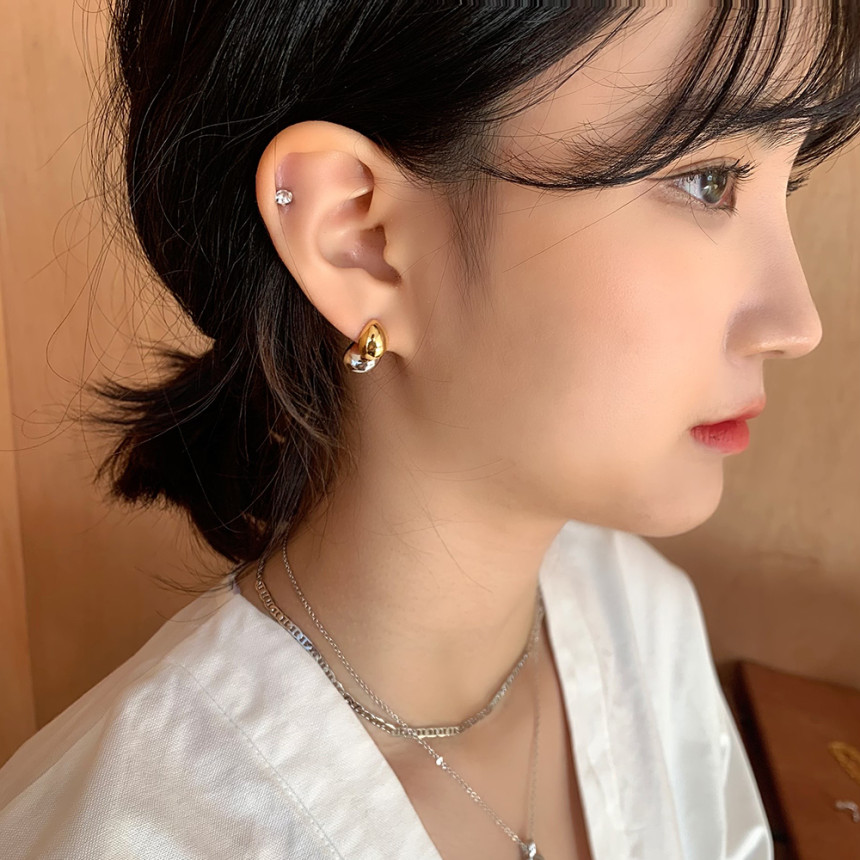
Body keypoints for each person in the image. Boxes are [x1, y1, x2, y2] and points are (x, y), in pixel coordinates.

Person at [3, 2, 860, 858]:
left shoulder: (641, 625)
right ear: (359, 236)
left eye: (784, 183)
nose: (797, 323)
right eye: (708, 180)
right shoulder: (127, 833)